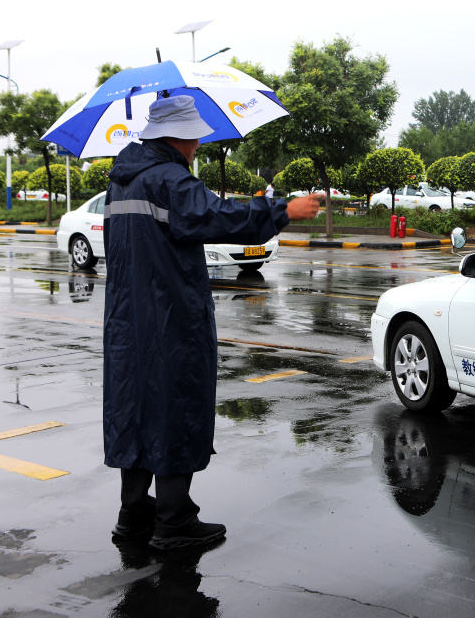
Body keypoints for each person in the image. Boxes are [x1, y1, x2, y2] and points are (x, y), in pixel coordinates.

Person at [103, 95, 321, 551]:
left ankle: (133, 515)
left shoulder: (121, 183)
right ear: (178, 137)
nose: (199, 142)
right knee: (175, 405)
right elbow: (215, 216)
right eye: (195, 134)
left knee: (136, 407)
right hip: (170, 317)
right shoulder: (169, 179)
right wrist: (283, 211)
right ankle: (174, 520)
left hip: (128, 320)